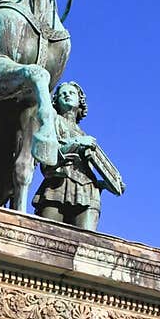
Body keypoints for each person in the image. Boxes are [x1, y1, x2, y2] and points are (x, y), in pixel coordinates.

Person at [32, 81, 122, 230]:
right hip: (56, 187)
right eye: (62, 93)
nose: (67, 95)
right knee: (46, 238)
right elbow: (47, 157)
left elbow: (88, 170)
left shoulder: (84, 135)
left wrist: (105, 184)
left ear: (80, 101)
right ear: (56, 100)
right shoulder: (52, 122)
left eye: (71, 93)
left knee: (87, 244)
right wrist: (77, 142)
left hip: (87, 192)